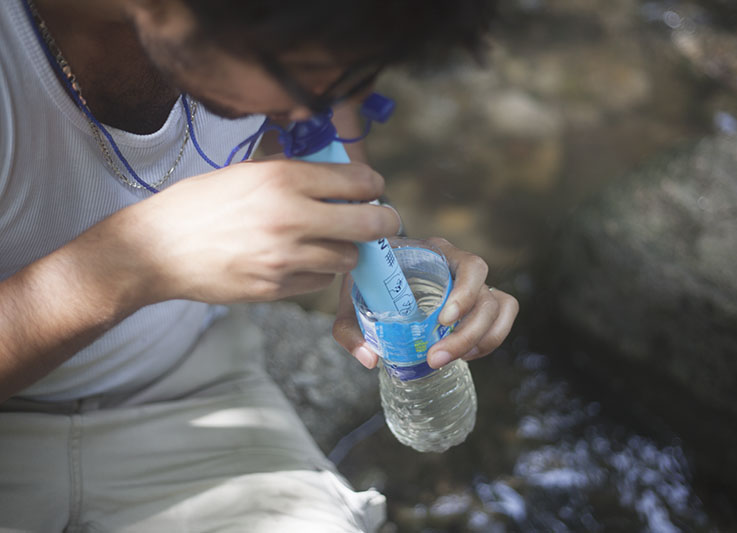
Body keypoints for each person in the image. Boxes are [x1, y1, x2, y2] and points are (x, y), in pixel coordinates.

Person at [0, 0, 519, 531]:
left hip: (191, 383)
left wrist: (388, 264)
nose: (321, 99)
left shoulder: (278, 43)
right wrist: (138, 258)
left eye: (351, 71)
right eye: (306, 68)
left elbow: (326, 143)